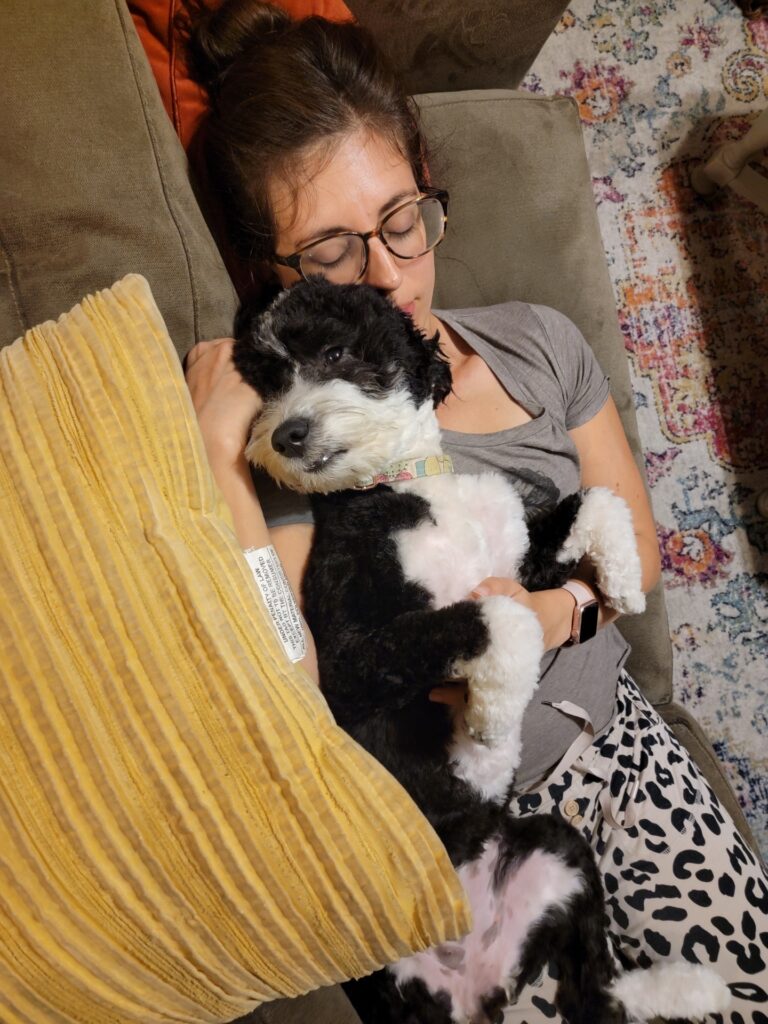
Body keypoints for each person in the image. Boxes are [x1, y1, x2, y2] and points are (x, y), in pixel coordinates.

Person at [181, 2, 768, 1020]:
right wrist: (219, 464)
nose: (388, 275)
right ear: (262, 271)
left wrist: (542, 618)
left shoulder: (537, 343)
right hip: (453, 842)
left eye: (402, 219)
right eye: (329, 252)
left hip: (620, 753)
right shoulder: (305, 441)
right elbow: (287, 687)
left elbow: (638, 554)